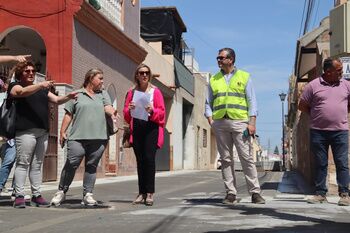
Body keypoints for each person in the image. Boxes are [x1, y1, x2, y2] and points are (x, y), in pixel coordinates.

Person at [8, 61, 77, 208]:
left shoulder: (41, 90)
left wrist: (69, 97)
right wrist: (41, 85)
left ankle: (36, 195)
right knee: (22, 163)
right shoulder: (15, 86)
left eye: (33, 71)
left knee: (37, 165)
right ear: (21, 74)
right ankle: (19, 196)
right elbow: (20, 93)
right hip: (25, 131)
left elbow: (57, 100)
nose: (31, 73)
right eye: (27, 71)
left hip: (42, 132)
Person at [205, 48, 265, 205]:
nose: (218, 60)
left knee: (246, 158)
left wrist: (252, 123)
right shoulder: (214, 79)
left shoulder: (244, 77)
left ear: (230, 59)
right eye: (217, 57)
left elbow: (252, 101)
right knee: (225, 159)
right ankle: (230, 193)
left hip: (240, 123)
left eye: (221, 57)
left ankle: (255, 193)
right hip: (220, 123)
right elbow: (208, 102)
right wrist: (211, 120)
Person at [50, 68, 117, 207]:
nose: (102, 81)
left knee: (91, 166)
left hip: (99, 137)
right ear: (90, 78)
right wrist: (63, 131)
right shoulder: (76, 94)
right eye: (100, 78)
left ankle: (88, 194)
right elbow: (69, 114)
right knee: (72, 162)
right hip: (77, 137)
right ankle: (61, 191)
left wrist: (113, 112)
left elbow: (108, 107)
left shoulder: (103, 94)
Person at [298, 58, 350, 206]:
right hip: (318, 131)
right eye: (339, 70)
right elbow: (302, 106)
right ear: (328, 72)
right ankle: (321, 193)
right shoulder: (313, 86)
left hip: (340, 131)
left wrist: (339, 115)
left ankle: (345, 194)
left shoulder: (346, 85)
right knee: (320, 163)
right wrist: (316, 115)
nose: (341, 72)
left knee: (342, 163)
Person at [123, 64, 165, 206]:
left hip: (151, 127)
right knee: (140, 161)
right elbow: (126, 116)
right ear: (137, 75)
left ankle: (150, 193)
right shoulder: (131, 92)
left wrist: (153, 111)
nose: (144, 75)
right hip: (138, 127)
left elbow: (162, 113)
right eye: (141, 73)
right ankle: (141, 193)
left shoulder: (156, 92)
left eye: (147, 72)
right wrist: (129, 109)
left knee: (149, 159)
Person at [0, 74, 16, 195]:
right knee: (7, 162)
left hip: (12, 137)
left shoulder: (18, 99)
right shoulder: (2, 98)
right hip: (4, 136)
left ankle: (15, 189)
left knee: (9, 161)